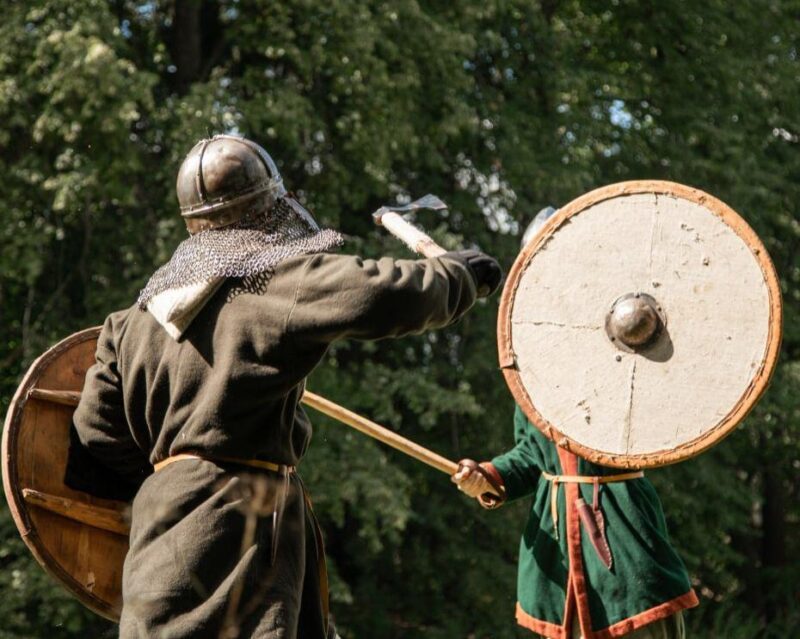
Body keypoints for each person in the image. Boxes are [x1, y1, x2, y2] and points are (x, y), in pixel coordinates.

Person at [72, 134, 502, 639]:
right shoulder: (272, 282)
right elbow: (380, 292)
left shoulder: (129, 322)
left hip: (159, 537)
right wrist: (457, 277)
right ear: (268, 208)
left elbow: (94, 435)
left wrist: (173, 480)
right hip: (243, 531)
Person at [453, 208, 698, 639]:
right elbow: (531, 455)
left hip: (624, 539)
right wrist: (488, 476)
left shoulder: (629, 345)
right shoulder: (531, 363)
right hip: (554, 554)